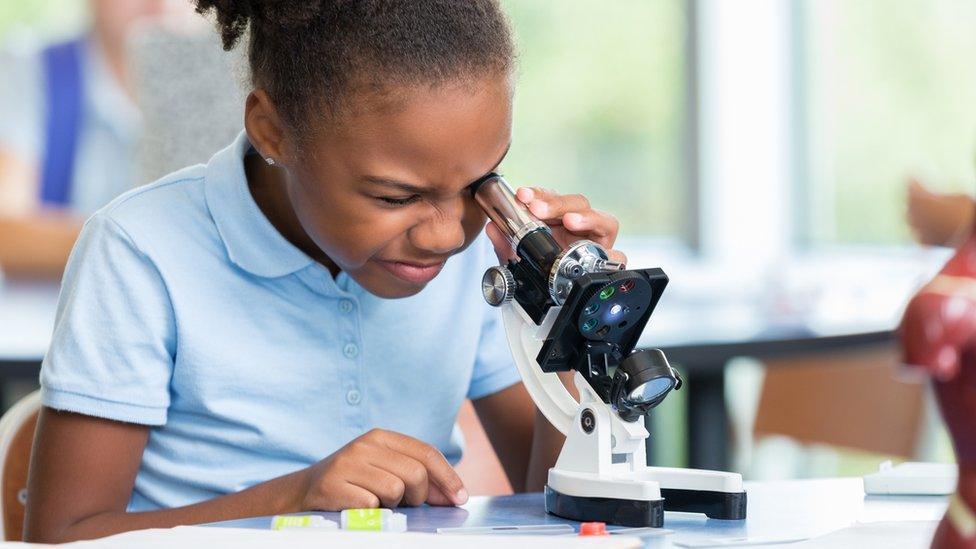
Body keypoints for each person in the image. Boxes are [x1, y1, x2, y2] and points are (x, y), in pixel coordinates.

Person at [24, 0, 628, 543]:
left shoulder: (478, 252)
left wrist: (570, 323)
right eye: (394, 198)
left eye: (479, 184)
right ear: (272, 131)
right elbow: (63, 535)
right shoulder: (140, 250)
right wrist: (294, 499)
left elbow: (557, 499)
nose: (447, 234)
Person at [0, 0, 168, 279]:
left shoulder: (226, 89)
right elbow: (7, 231)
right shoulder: (34, 73)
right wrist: (141, 241)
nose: (159, 4)